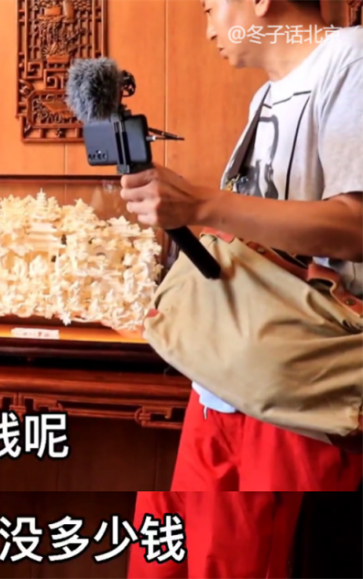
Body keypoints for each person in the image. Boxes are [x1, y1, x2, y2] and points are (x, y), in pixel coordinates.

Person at [118, 0, 363, 577]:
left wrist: (203, 203)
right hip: (225, 376)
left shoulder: (351, 59)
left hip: (297, 388)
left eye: (210, 8)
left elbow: (355, 226)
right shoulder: (266, 97)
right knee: (169, 558)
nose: (208, 28)